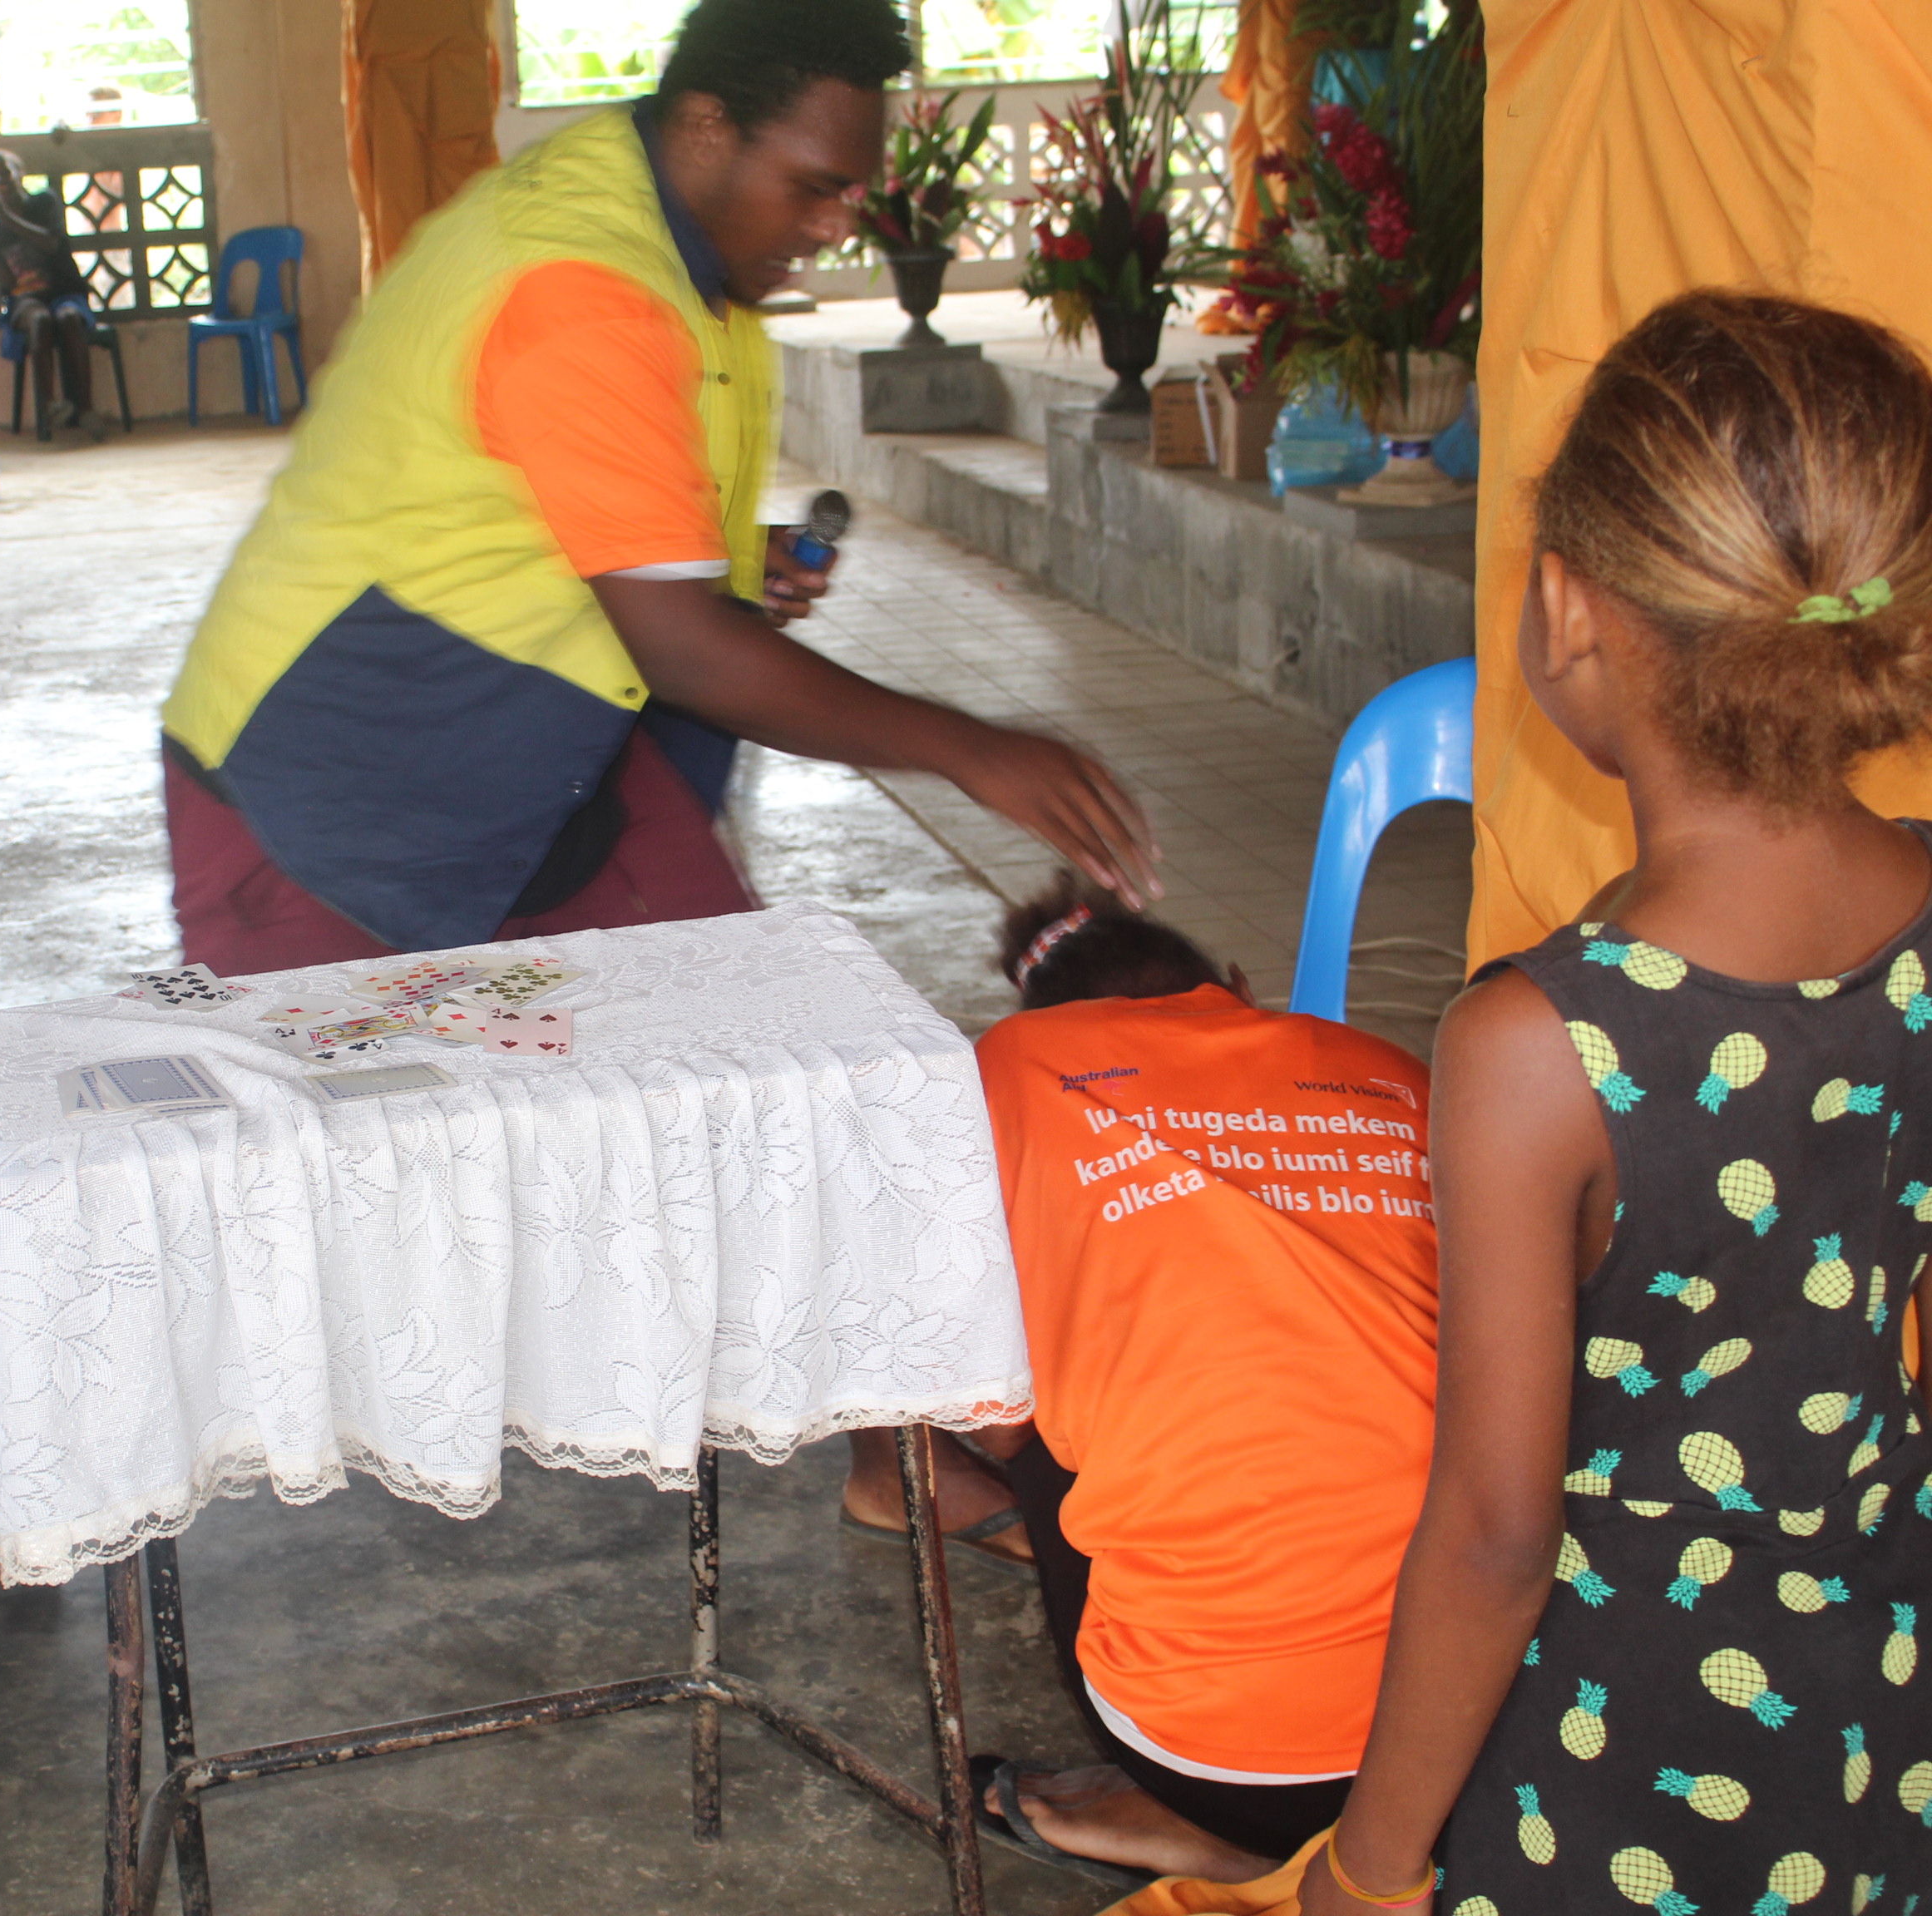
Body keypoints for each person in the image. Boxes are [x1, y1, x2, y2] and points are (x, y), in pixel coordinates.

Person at [1302, 292, 1932, 1916]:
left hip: (1632, 1729)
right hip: (1885, 1660)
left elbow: (1500, 1530)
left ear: (1565, 610)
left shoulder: (1537, 1046)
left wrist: (1371, 1865)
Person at [158, 0, 1156, 977]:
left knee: (720, 1055)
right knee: (398, 1127)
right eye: (812, 186)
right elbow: (681, 648)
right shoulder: (589, 281)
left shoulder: (669, 223)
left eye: (851, 193)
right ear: (709, 123)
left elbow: (564, 469)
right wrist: (968, 747)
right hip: (340, 790)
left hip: (548, 765)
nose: (833, 225)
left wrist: (684, 544)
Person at [941, 882, 1441, 1883]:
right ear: (1241, 994)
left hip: (1225, 1765)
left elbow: (988, 1423)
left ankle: (1200, 1828)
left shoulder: (1004, 1073)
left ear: (1038, 1022)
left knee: (1032, 1417)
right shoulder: (1386, 1068)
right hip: (1494, 1730)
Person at [0, 150, 98, 434]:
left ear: (20, 173)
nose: (0, 180)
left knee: (69, 318)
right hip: (28, 299)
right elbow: (9, 284)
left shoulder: (44, 203)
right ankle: (49, 408)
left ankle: (85, 410)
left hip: (64, 290)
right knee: (40, 321)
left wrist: (8, 218)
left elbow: (50, 244)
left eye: (5, 172)